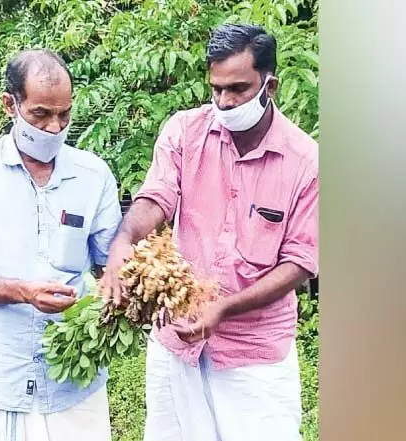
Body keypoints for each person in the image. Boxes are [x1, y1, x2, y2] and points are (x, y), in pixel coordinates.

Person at [100, 24, 318, 441]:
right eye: (216, 89)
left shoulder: (306, 161)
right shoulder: (185, 130)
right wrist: (124, 241)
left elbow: (300, 262)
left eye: (237, 89)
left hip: (252, 357)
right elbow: (156, 198)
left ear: (269, 86)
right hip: (177, 341)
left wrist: (223, 309)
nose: (224, 101)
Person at [0, 49, 122, 441]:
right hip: (2, 376)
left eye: (64, 115)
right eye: (40, 115)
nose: (54, 127)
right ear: (10, 104)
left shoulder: (94, 175)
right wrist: (23, 292)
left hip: (76, 378)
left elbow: (111, 269)